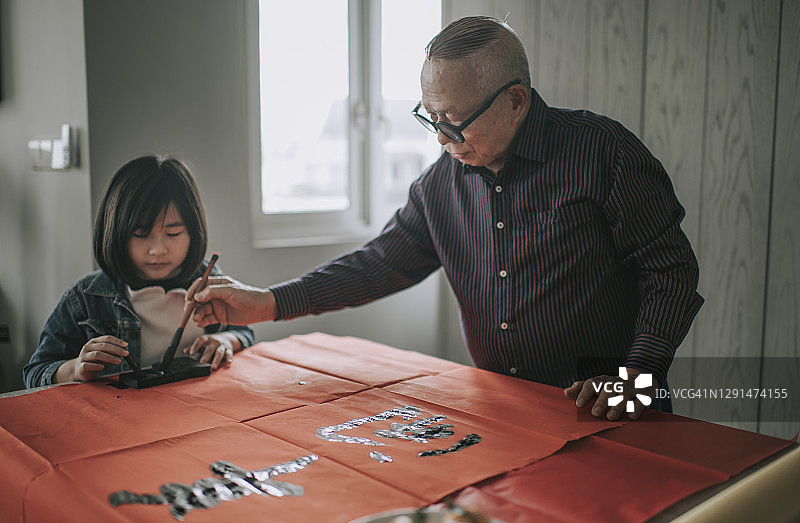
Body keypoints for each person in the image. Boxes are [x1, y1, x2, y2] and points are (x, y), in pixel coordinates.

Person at [190, 16, 703, 420]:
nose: (440, 139)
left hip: (611, 409)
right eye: (429, 119)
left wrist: (639, 375)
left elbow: (672, 273)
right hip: (509, 411)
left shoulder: (602, 153)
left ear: (515, 101)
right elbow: (378, 264)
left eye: (453, 123)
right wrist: (268, 302)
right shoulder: (442, 183)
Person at [23, 156, 254, 388]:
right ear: (115, 232)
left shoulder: (207, 281)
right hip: (121, 419)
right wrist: (74, 368)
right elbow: (35, 373)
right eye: (141, 234)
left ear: (194, 232)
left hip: (200, 414)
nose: (158, 250)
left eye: (173, 234)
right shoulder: (86, 297)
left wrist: (225, 340)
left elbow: (243, 332)